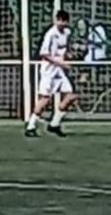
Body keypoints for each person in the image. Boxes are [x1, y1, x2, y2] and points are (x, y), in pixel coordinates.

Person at [25, 9, 76, 138]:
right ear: (56, 20)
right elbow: (44, 54)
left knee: (71, 96)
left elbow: (65, 49)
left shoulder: (67, 33)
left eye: (63, 21)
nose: (61, 23)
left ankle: (54, 124)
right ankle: (31, 126)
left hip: (59, 71)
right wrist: (60, 63)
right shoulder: (50, 34)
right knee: (45, 100)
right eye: (58, 20)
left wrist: (69, 55)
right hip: (49, 71)